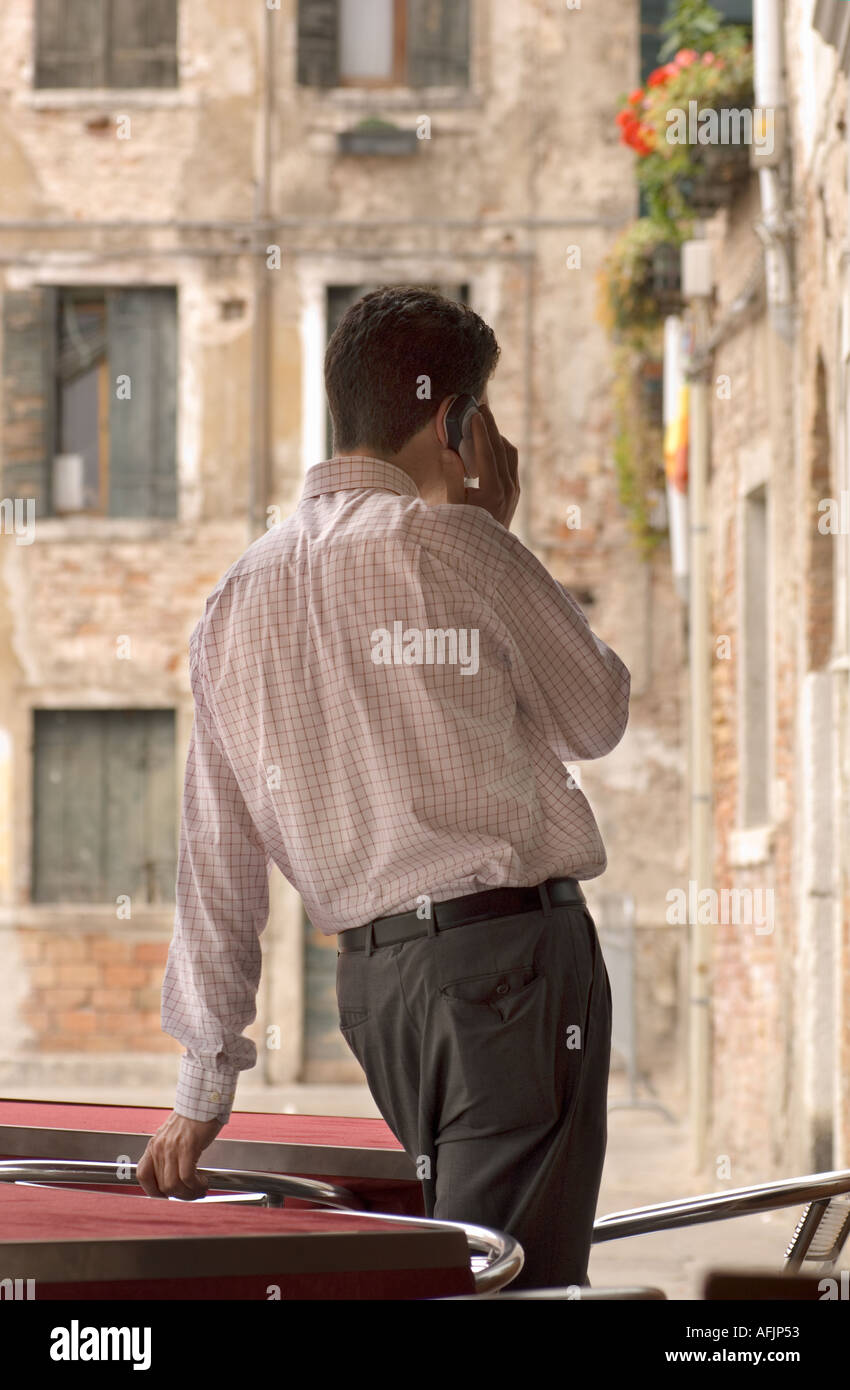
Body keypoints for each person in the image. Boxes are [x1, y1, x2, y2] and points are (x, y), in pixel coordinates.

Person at [137, 285, 630, 1290]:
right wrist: (498, 529)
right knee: (506, 1278)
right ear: (456, 420)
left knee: (458, 1257)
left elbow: (216, 858)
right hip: (512, 968)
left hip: (373, 988)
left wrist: (206, 1079)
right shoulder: (461, 546)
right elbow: (598, 715)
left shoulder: (233, 598)